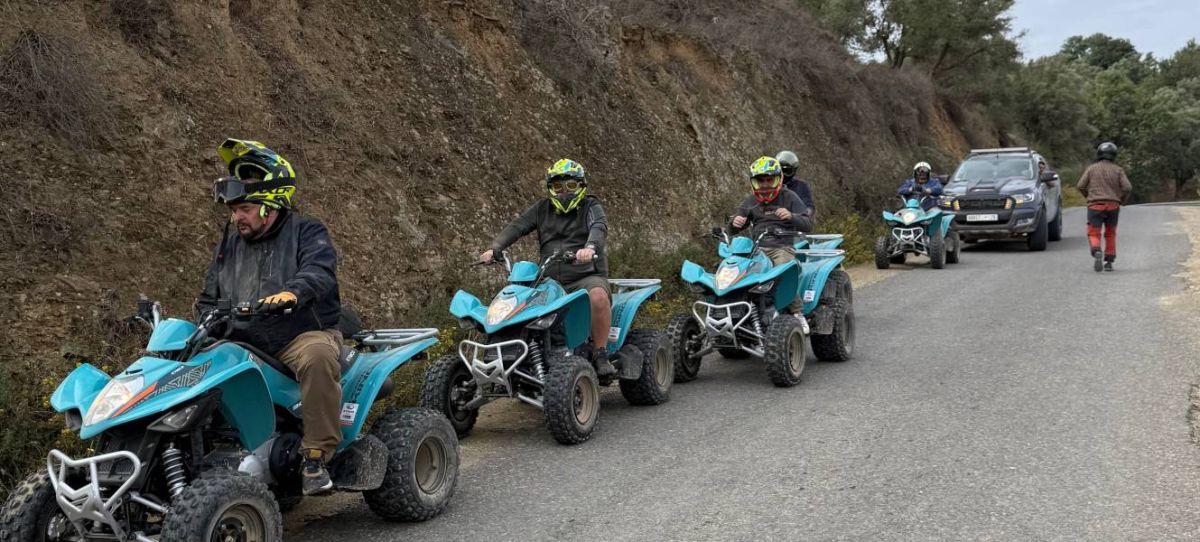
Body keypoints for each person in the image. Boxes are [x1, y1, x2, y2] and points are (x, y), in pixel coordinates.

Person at [195, 138, 343, 495]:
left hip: (298, 332)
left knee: (318, 357)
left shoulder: (307, 231)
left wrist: (292, 293)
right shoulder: (229, 244)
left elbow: (319, 271)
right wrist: (204, 322)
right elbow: (207, 298)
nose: (236, 217)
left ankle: (315, 456)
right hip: (242, 337)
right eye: (233, 210)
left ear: (270, 206)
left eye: (244, 208)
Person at [478, 159, 615, 378]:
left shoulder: (591, 206)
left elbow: (598, 228)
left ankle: (600, 353)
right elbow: (518, 226)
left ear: (581, 186)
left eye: (570, 186)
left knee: (598, 297)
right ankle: (525, 357)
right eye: (558, 187)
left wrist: (589, 248)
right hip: (549, 279)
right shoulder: (542, 208)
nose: (564, 193)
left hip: (586, 275)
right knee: (521, 305)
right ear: (550, 188)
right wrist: (495, 247)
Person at [731, 156, 814, 313]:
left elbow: (808, 224)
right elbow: (733, 228)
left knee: (783, 274)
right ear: (754, 182)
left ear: (778, 179)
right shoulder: (750, 201)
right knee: (736, 274)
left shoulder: (789, 197)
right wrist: (735, 222)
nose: (765, 185)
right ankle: (743, 311)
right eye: (761, 181)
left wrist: (791, 216)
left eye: (769, 180)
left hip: (781, 247)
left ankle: (798, 314)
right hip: (756, 250)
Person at [1077, 141, 1132, 272]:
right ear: (1114, 155)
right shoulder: (1118, 170)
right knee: (1110, 233)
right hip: (1113, 206)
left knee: (1093, 232)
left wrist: (1089, 197)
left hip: (1095, 206)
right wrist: (1121, 200)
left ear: (1099, 154)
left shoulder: (1091, 168)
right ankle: (1109, 261)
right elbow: (1128, 187)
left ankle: (1096, 250)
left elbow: (1080, 185)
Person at [775, 150, 816, 218]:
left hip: (795, 223)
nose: (783, 174)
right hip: (773, 222)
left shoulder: (802, 186)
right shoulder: (770, 186)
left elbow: (809, 207)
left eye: (787, 171)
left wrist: (801, 215)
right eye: (781, 170)